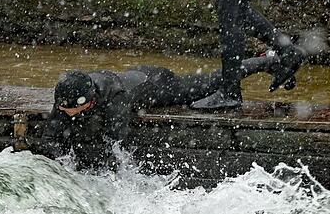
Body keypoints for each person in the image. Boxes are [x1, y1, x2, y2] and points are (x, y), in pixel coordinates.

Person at [32, 58, 283, 167]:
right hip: (135, 75)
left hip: (158, 84)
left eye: (68, 109)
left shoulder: (115, 98)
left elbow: (115, 141)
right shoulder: (68, 95)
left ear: (87, 102)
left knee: (211, 82)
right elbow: (51, 136)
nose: (62, 112)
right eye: (61, 108)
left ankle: (266, 62)